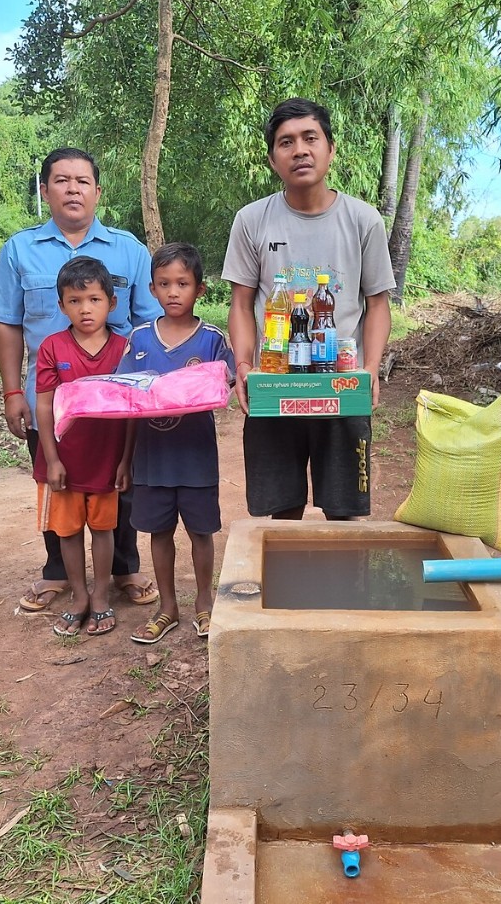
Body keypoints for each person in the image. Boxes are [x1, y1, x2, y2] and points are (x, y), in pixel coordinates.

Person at [0, 147, 163, 612]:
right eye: (61, 181)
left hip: (116, 401)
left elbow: (150, 324)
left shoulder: (129, 250)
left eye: (82, 181)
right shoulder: (19, 249)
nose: (72, 189)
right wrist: (10, 394)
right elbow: (8, 323)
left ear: (98, 191)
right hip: (49, 398)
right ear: (45, 191)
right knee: (54, 481)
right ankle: (57, 572)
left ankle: (126, 566)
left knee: (120, 482)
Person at [224, 97, 396, 520]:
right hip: (276, 383)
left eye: (310, 138)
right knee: (279, 511)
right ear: (272, 159)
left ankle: (342, 587)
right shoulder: (252, 220)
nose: (299, 150)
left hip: (340, 383)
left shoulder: (363, 220)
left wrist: (370, 367)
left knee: (344, 510)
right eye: (286, 142)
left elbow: (377, 305)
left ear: (330, 149)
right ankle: (286, 587)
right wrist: (244, 366)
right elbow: (242, 305)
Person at [117, 243, 234, 643]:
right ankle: (167, 608)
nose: (173, 292)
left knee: (201, 532)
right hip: (151, 459)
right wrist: (125, 462)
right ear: (151, 288)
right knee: (159, 532)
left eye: (183, 283)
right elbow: (128, 401)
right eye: (164, 283)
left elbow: (228, 386)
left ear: (199, 290)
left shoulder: (213, 341)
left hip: (196, 458)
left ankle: (205, 604)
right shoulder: (139, 339)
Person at [33, 257, 130, 637]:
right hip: (64, 462)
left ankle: (102, 596)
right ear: (61, 306)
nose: (84, 309)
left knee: (104, 530)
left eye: (93, 299)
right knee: (68, 532)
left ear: (111, 303)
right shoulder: (52, 347)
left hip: (106, 459)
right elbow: (44, 405)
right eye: (74, 301)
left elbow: (133, 409)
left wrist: (125, 459)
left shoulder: (126, 348)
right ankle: (79, 597)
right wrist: (52, 459)